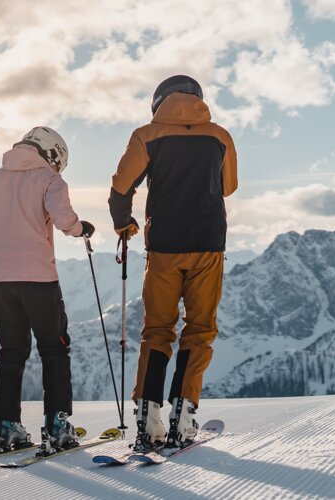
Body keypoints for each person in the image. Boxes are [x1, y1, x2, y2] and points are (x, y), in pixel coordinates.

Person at [108, 75, 238, 452]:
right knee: (199, 329)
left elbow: (121, 188)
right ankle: (184, 413)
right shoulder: (220, 136)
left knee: (157, 330)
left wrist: (124, 223)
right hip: (207, 245)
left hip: (163, 246)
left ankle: (148, 417)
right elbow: (228, 186)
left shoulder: (146, 135)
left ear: (158, 101)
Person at [0, 126, 95, 455]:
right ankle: (57, 426)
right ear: (51, 153)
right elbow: (64, 221)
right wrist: (82, 229)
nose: (57, 168)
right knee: (54, 348)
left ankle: (5, 428)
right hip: (37, 277)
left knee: (11, 351)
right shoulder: (50, 180)